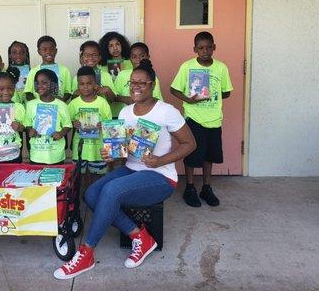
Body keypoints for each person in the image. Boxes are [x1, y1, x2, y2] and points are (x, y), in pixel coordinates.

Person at [54, 59, 196, 279]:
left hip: (160, 176)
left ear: (152, 84)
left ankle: (87, 253)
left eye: (141, 83)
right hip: (131, 169)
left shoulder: (166, 111)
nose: (135, 87)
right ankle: (140, 237)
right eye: (132, 83)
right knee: (91, 195)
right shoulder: (125, 113)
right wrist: (110, 154)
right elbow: (121, 152)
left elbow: (190, 144)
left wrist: (161, 160)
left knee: (111, 191)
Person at [170, 31, 233, 207]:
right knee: (191, 154)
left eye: (208, 47)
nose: (205, 51)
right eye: (201, 48)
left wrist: (211, 94)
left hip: (214, 119)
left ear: (214, 47)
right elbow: (174, 89)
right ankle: (190, 187)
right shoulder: (187, 67)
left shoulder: (221, 68)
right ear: (195, 49)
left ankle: (206, 187)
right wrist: (189, 99)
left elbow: (227, 92)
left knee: (209, 155)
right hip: (193, 118)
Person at [68, 66, 112, 187]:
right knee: (79, 175)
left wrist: (102, 124)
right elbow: (67, 123)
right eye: (81, 84)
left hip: (98, 148)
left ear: (95, 84)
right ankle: (81, 197)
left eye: (89, 83)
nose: (85, 87)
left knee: (97, 175)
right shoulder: (74, 103)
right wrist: (73, 123)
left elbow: (110, 125)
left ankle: (94, 195)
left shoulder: (102, 103)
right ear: (77, 85)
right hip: (80, 148)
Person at [24, 69, 71, 165]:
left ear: (54, 85)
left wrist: (61, 133)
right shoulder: (30, 105)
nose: (40, 86)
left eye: (44, 82)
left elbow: (68, 125)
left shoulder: (62, 105)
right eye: (37, 83)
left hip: (55, 154)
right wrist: (30, 130)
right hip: (36, 154)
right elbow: (27, 124)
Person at [114, 42, 164, 117]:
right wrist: (126, 99)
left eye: (142, 56)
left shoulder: (152, 78)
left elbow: (157, 100)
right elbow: (114, 96)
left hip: (147, 116)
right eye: (134, 56)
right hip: (127, 116)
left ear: (148, 57)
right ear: (130, 58)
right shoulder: (122, 75)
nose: (138, 59)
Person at [24, 36, 72, 102]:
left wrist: (60, 103)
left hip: (57, 107)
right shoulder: (33, 71)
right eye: (44, 49)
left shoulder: (64, 70)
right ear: (39, 52)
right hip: (39, 108)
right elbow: (28, 93)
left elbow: (68, 92)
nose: (48, 52)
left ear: (56, 51)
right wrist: (37, 104)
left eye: (51, 49)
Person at [7, 40, 31, 104]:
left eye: (22, 52)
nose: (18, 55)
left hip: (28, 100)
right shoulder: (6, 71)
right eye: (14, 52)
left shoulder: (31, 71)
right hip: (13, 101)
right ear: (10, 56)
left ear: (26, 55)